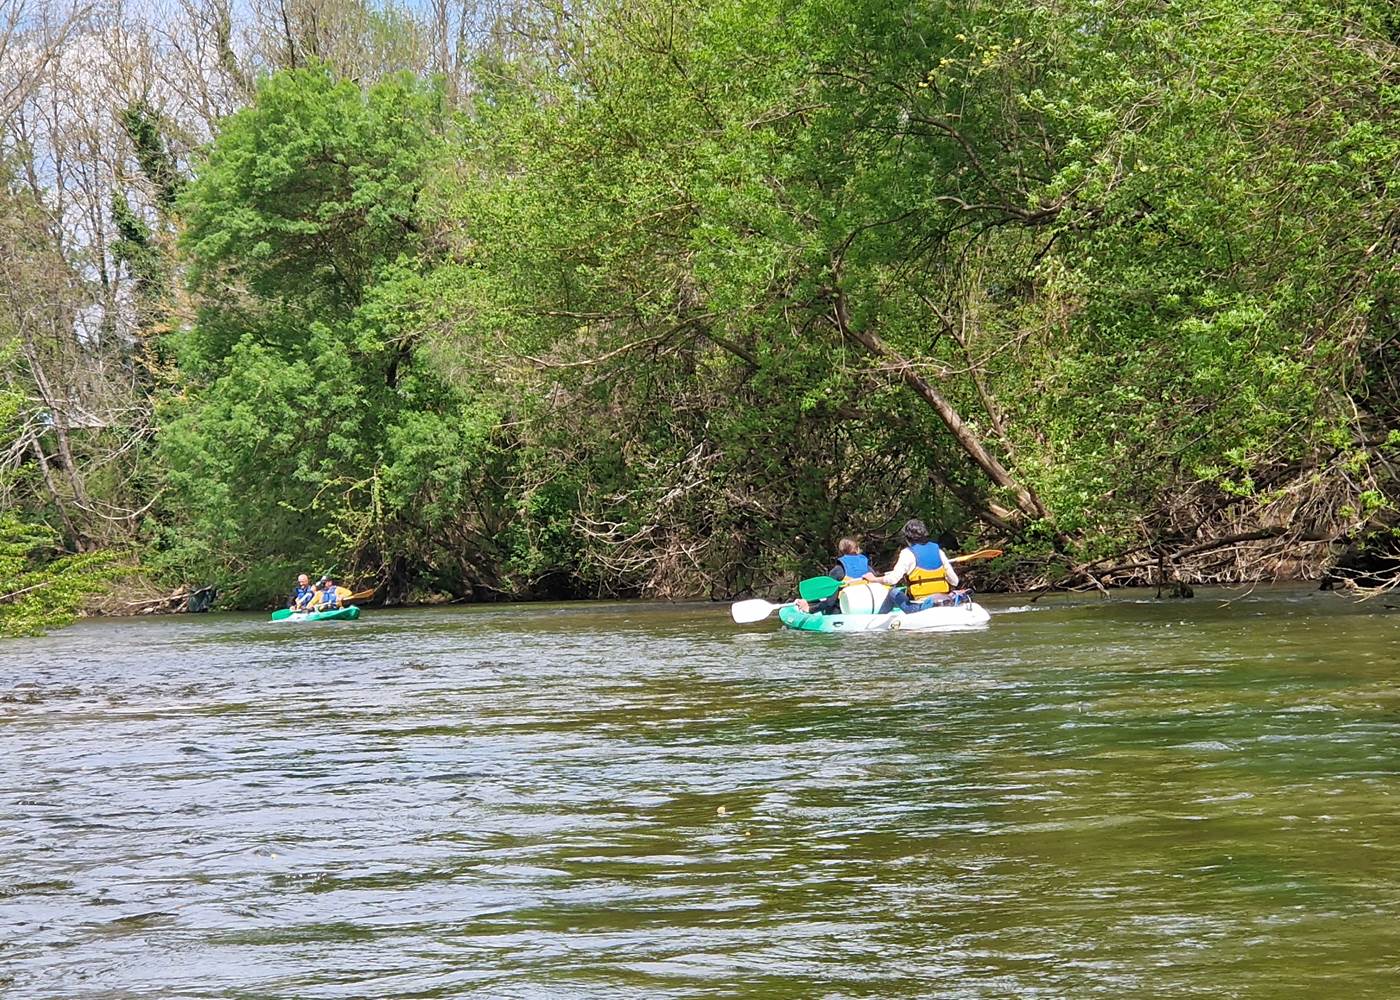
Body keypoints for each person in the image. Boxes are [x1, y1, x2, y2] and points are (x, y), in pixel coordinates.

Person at [876, 519, 962, 614]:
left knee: (893, 592)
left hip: (920, 606)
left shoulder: (907, 553)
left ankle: (879, 618)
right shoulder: (939, 551)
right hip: (943, 601)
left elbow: (892, 580)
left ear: (907, 538)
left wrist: (873, 579)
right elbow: (955, 581)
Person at [794, 537, 877, 614]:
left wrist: (810, 608)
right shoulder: (868, 569)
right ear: (857, 549)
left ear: (840, 551)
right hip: (868, 608)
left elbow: (830, 602)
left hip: (844, 611)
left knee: (830, 608)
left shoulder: (837, 571)